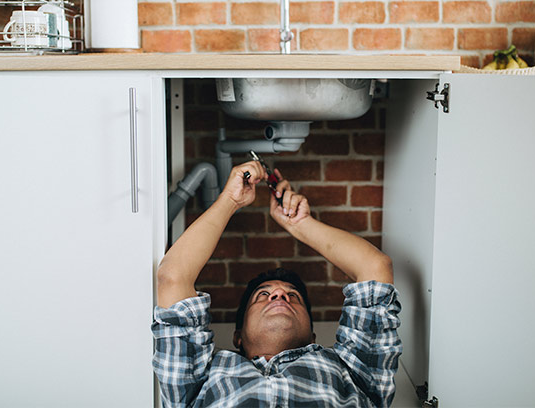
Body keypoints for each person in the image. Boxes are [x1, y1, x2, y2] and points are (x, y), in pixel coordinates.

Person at [153, 160, 402, 407]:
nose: (280, 294)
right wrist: (230, 199)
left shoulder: (353, 370)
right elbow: (172, 277)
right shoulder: (199, 378)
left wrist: (301, 224)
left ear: (313, 336)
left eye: (293, 296)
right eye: (263, 294)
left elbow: (374, 267)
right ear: (238, 337)